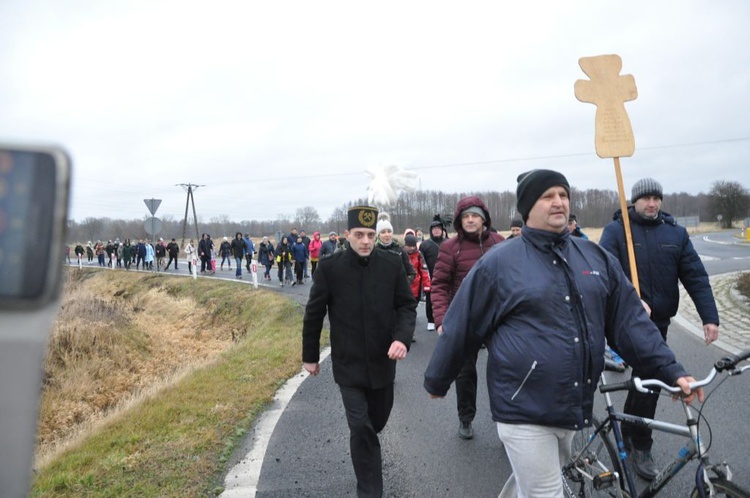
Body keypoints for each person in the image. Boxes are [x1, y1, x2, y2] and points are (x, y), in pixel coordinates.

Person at [424, 169, 702, 497]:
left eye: (564, 195)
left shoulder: (595, 257)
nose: (559, 202)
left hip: (573, 402)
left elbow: (630, 323)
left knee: (536, 483)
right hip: (522, 404)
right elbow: (463, 324)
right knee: (546, 491)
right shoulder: (498, 264)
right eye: (548, 196)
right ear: (528, 207)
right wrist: (438, 379)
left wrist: (670, 370)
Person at [599, 177, 719, 480]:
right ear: (634, 201)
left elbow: (695, 276)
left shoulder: (675, 234)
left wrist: (710, 317)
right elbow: (604, 273)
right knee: (650, 378)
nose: (652, 203)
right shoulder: (617, 232)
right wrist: (632, 297)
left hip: (659, 322)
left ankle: (631, 429)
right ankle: (641, 442)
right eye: (645, 198)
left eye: (656, 198)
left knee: (645, 381)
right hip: (625, 321)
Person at [302, 205, 417, 498]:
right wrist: (310, 356)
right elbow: (314, 315)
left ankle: (364, 446)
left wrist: (402, 338)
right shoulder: (330, 268)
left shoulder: (391, 265)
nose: (365, 241)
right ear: (347, 235)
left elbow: (406, 306)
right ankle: (369, 492)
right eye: (359, 235)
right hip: (348, 366)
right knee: (362, 428)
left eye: (370, 235)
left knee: (374, 423)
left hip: (383, 363)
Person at [430, 196, 504, 440]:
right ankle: (466, 417)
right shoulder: (450, 248)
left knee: (506, 370)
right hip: (464, 319)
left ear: (484, 218)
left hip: (497, 320)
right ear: (460, 220)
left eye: (475, 215)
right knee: (465, 373)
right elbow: (439, 285)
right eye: (466, 216)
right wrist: (441, 320)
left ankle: (508, 423)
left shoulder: (500, 243)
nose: (470, 220)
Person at [418, 214, 448, 331]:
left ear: (442, 231)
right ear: (431, 231)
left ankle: (445, 319)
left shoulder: (448, 243)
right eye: (434, 229)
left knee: (447, 299)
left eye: (439, 229)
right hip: (430, 276)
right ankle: (430, 320)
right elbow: (421, 261)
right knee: (430, 300)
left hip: (446, 275)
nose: (436, 231)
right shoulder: (425, 245)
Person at [374, 213, 415, 284]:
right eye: (383, 232)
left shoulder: (400, 250)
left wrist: (404, 286)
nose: (387, 235)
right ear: (378, 235)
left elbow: (411, 272)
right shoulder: (373, 251)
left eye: (389, 231)